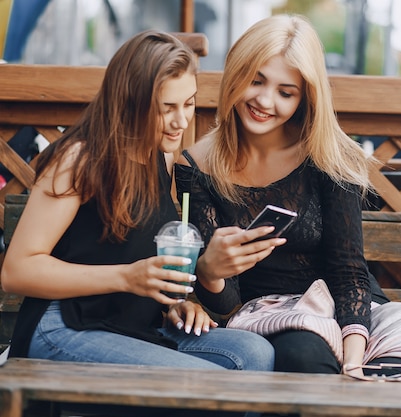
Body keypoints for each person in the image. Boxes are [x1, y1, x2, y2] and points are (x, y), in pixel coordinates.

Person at [1, 29, 274, 416]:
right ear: (130, 102)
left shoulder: (161, 158)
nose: (180, 121)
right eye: (166, 108)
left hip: (132, 325)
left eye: (189, 104)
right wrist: (126, 278)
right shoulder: (79, 160)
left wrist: (173, 305)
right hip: (64, 328)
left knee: (254, 354)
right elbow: (16, 270)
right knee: (216, 389)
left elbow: (135, 253)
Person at [176, 14, 401, 380]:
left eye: (285, 92)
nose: (264, 100)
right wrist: (210, 271)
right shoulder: (196, 166)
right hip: (268, 317)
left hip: (347, 312)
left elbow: (350, 270)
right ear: (236, 74)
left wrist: (353, 360)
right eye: (255, 80)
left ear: (305, 97)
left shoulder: (329, 156)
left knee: (399, 369)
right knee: (301, 352)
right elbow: (228, 305)